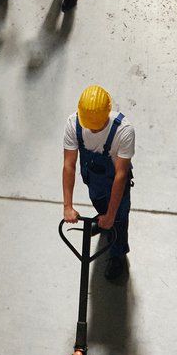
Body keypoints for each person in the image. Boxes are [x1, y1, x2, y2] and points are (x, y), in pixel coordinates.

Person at [61, 84, 132, 281]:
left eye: (96, 126)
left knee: (119, 220)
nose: (91, 129)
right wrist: (67, 206)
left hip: (115, 183)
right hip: (93, 181)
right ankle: (104, 221)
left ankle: (117, 255)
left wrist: (111, 215)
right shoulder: (74, 124)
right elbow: (69, 165)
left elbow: (121, 175)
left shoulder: (123, 131)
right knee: (100, 204)